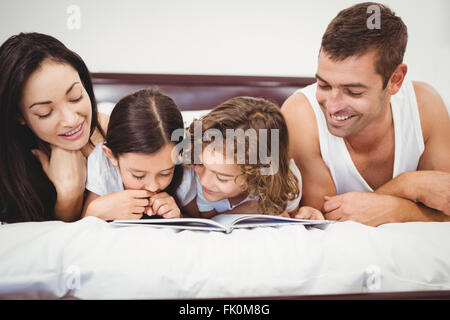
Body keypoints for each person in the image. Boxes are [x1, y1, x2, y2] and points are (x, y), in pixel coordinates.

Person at [281, 2, 450, 226]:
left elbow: (445, 205)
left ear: (395, 80)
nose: (332, 106)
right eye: (323, 85)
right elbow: (329, 218)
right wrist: (406, 187)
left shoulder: (425, 106)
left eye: (353, 91)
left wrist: (395, 204)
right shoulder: (299, 115)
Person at [0, 32, 108, 223]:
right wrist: (69, 196)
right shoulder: (10, 176)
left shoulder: (111, 128)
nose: (71, 120)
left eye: (76, 97)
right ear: (19, 115)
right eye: (45, 112)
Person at [182, 96, 323, 219]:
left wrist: (308, 213)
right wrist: (243, 211)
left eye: (222, 178)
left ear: (257, 174)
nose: (204, 181)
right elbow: (209, 222)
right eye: (200, 164)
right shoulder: (195, 178)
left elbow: (291, 217)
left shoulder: (287, 183)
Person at [82, 88, 195, 221]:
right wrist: (97, 210)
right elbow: (83, 225)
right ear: (111, 156)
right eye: (138, 175)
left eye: (165, 173)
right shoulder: (103, 166)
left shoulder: (184, 171)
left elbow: (200, 221)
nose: (153, 186)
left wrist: (178, 216)